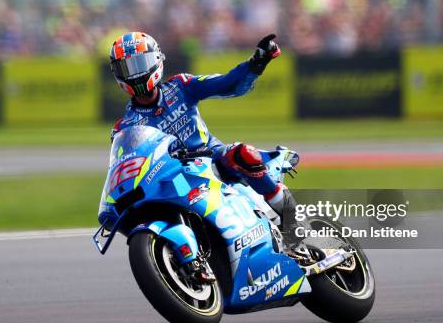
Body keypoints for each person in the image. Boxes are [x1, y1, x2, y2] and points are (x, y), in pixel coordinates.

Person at [101, 31, 308, 260]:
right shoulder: (124, 127)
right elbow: (124, 168)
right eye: (127, 68)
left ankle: (295, 223)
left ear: (156, 60)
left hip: (211, 157)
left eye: (140, 64)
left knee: (243, 154)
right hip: (170, 177)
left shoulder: (181, 86)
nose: (136, 73)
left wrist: (257, 62)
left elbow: (228, 84)